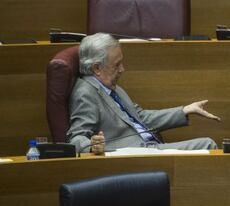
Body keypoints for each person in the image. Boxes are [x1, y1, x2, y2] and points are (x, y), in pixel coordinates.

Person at [67, 33, 221, 154]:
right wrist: (91, 147)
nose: (122, 69)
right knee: (208, 145)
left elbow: (141, 118)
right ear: (96, 68)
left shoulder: (112, 87)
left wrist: (184, 110)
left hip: (150, 146)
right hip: (134, 154)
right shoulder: (85, 92)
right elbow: (76, 137)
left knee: (207, 145)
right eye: (117, 65)